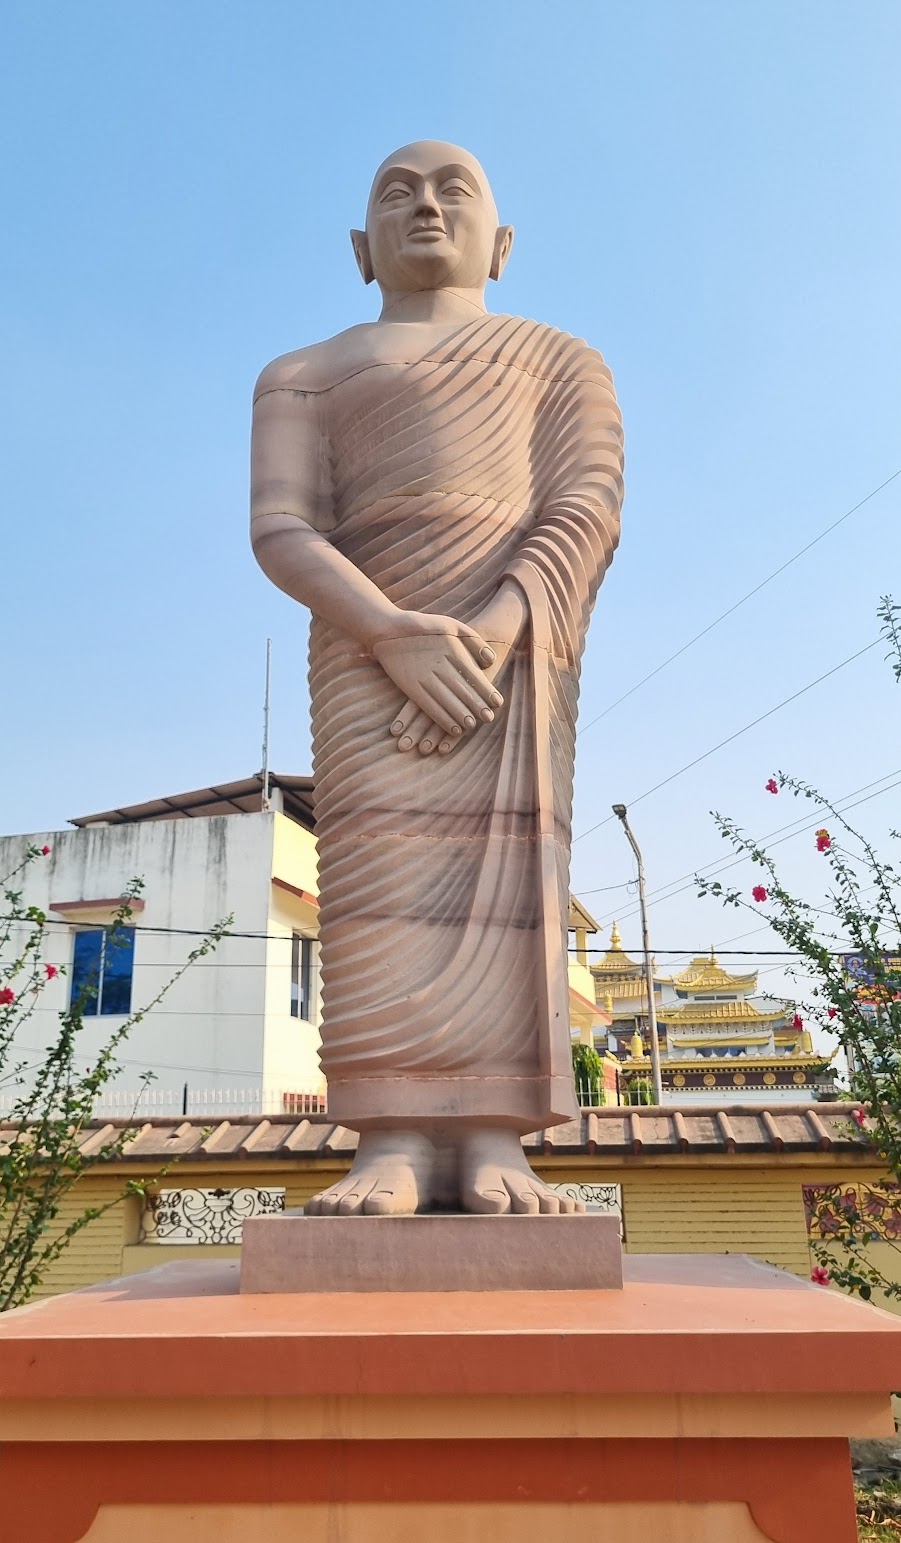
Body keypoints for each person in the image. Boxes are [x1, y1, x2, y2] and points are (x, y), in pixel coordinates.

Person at [251, 141, 624, 1215]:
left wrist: (496, 629)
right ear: (358, 248)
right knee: (381, 882)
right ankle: (392, 1133)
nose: (425, 205)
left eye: (452, 190)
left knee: (508, 878)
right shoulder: (302, 372)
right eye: (397, 192)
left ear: (499, 244)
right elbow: (281, 526)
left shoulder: (561, 362)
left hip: (513, 658)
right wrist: (388, 631)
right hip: (364, 656)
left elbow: (585, 507)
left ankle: (496, 1134)